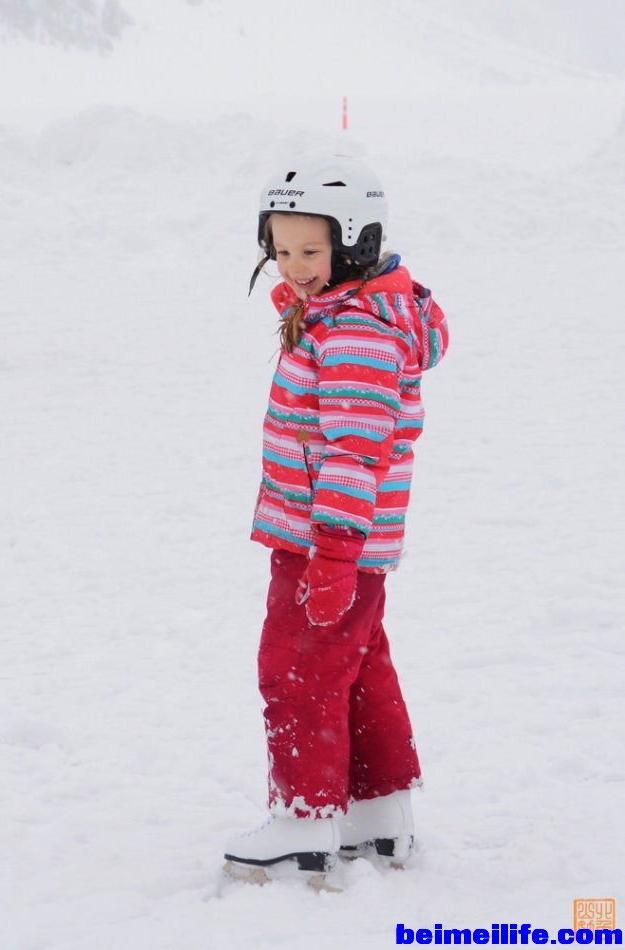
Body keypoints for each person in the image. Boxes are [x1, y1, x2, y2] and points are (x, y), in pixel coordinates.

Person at [224, 155, 449, 880]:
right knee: (356, 669)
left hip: (328, 541)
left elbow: (355, 450)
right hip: (338, 542)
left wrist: (334, 552)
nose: (293, 269)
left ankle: (304, 821)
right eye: (281, 251)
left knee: (296, 671)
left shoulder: (355, 332)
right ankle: (378, 816)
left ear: (355, 244)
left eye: (310, 252)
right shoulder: (343, 317)